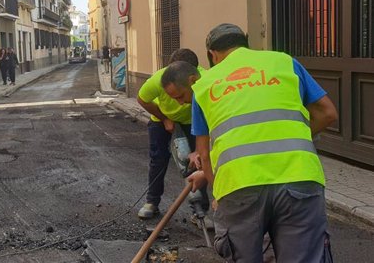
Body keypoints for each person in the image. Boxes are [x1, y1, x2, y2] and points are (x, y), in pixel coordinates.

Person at [161, 23, 338, 262]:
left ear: (212, 55)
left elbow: (204, 153)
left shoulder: (204, 85)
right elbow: (327, 113)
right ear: (245, 42)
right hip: (300, 176)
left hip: (239, 185)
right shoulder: (284, 62)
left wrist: (217, 196)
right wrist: (288, 135)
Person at [136, 48, 210, 222]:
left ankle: (200, 212)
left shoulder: (205, 78)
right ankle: (152, 202)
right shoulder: (158, 80)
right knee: (158, 159)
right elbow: (142, 99)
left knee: (197, 163)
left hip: (192, 121)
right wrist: (165, 119)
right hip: (161, 119)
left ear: (193, 75)